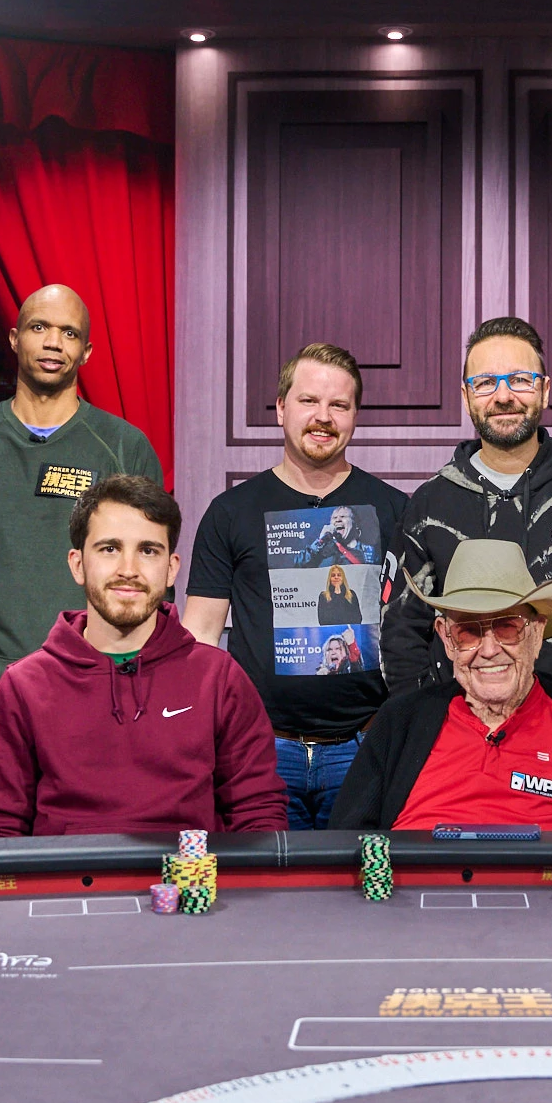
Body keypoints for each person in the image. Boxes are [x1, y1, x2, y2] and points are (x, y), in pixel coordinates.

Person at [0, 284, 163, 837]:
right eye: (40, 328)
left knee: (95, 863)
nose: (53, 342)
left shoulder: (123, 446)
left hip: (97, 693)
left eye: (69, 333)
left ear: (86, 352)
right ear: (14, 338)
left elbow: (144, 580)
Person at [0, 476, 287, 837]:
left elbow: (257, 813)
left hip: (187, 870)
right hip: (67, 873)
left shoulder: (219, 677)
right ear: (77, 564)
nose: (129, 570)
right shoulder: (23, 685)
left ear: (171, 568)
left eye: (148, 551)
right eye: (109, 549)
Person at [381, 316, 552, 720]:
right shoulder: (429, 505)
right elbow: (399, 631)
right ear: (466, 396)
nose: (504, 396)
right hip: (459, 739)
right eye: (485, 382)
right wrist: (429, 727)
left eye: (520, 380)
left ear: (545, 390)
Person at [183, 343, 406, 830]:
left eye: (338, 405)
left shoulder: (394, 510)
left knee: (360, 879)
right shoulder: (230, 512)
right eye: (308, 401)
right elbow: (199, 638)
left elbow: (416, 635)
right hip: (260, 747)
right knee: (267, 879)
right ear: (281, 408)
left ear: (355, 416)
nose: (323, 417)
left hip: (363, 746)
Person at [332, 541, 552, 832]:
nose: (489, 650)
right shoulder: (399, 721)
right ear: (446, 637)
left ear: (537, 632)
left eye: (507, 627)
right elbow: (345, 849)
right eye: (468, 632)